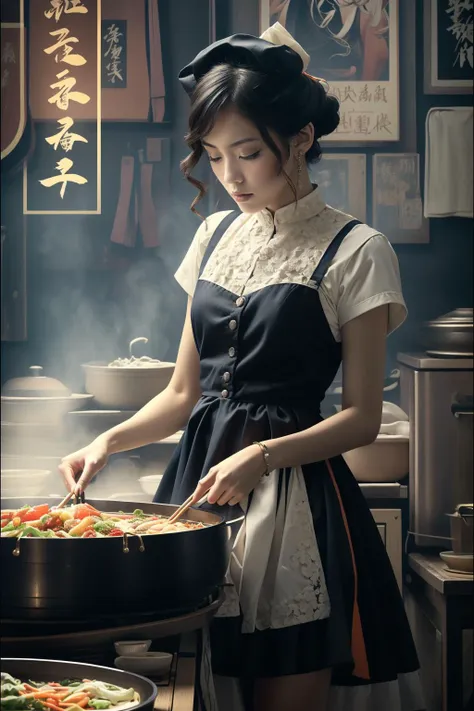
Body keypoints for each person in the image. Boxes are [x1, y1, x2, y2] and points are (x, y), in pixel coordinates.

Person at [59, 23, 425, 711]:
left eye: (249, 153)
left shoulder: (357, 249)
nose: (229, 176)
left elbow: (362, 417)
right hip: (196, 491)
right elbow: (180, 393)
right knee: (182, 690)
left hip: (294, 504)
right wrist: (105, 441)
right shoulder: (213, 234)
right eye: (214, 155)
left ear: (302, 139)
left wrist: (260, 455)